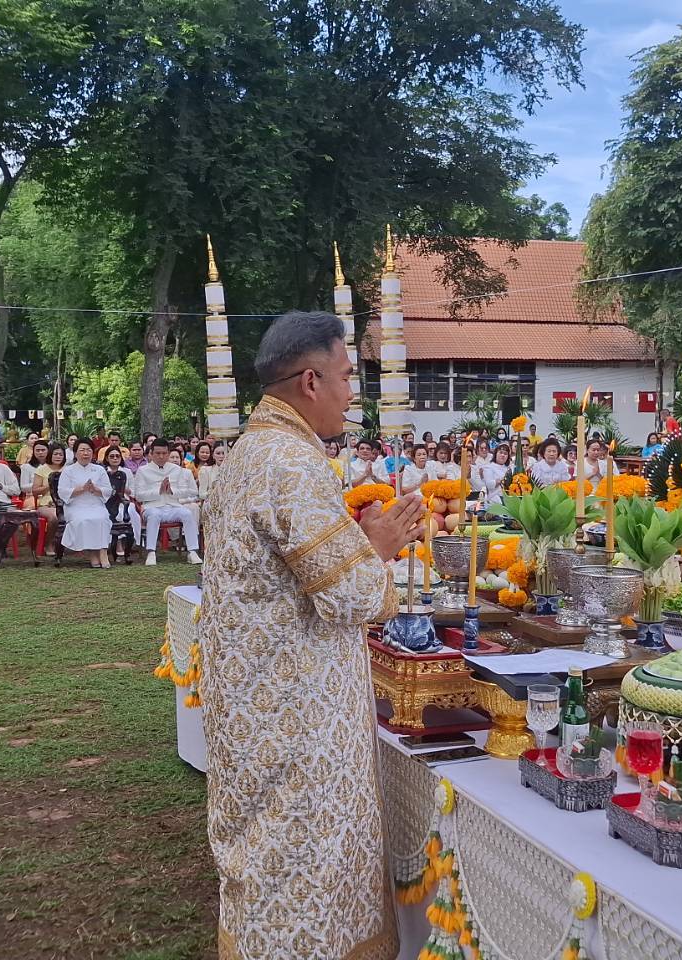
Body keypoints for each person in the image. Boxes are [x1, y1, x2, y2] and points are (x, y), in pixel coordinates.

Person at [197, 311, 423, 959]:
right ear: (310, 381)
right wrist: (376, 545)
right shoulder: (293, 464)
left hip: (254, 701)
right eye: (348, 375)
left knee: (264, 859)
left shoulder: (246, 453)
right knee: (303, 867)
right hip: (299, 716)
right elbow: (350, 594)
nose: (355, 391)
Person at [129, 438, 201, 565]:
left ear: (168, 453)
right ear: (151, 453)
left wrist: (172, 491)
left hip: (173, 505)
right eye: (157, 453)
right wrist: (159, 490)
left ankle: (192, 551)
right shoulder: (143, 470)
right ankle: (151, 552)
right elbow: (139, 496)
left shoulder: (176, 469)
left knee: (187, 514)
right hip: (152, 507)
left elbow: (186, 491)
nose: (161, 456)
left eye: (164, 453)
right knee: (154, 515)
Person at [58, 438, 113, 568]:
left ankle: (103, 551)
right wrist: (81, 489)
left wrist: (96, 489)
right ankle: (92, 553)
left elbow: (108, 490)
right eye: (82, 450)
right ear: (75, 453)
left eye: (88, 450)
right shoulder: (68, 470)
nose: (85, 453)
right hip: (76, 505)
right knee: (83, 520)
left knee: (102, 518)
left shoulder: (99, 470)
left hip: (95, 503)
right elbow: (62, 491)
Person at [38, 446, 68, 555]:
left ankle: (66, 544)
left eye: (61, 454)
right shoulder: (42, 469)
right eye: (55, 454)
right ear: (50, 455)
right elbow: (35, 491)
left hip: (65, 501)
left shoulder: (68, 469)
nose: (58, 457)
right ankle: (50, 543)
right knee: (55, 517)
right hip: (46, 503)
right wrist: (50, 485)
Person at [473, 443, 511, 507]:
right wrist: (501, 480)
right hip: (494, 500)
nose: (503, 455)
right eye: (500, 452)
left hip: (508, 500)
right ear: (496, 454)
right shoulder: (488, 467)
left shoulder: (509, 468)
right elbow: (489, 485)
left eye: (505, 454)